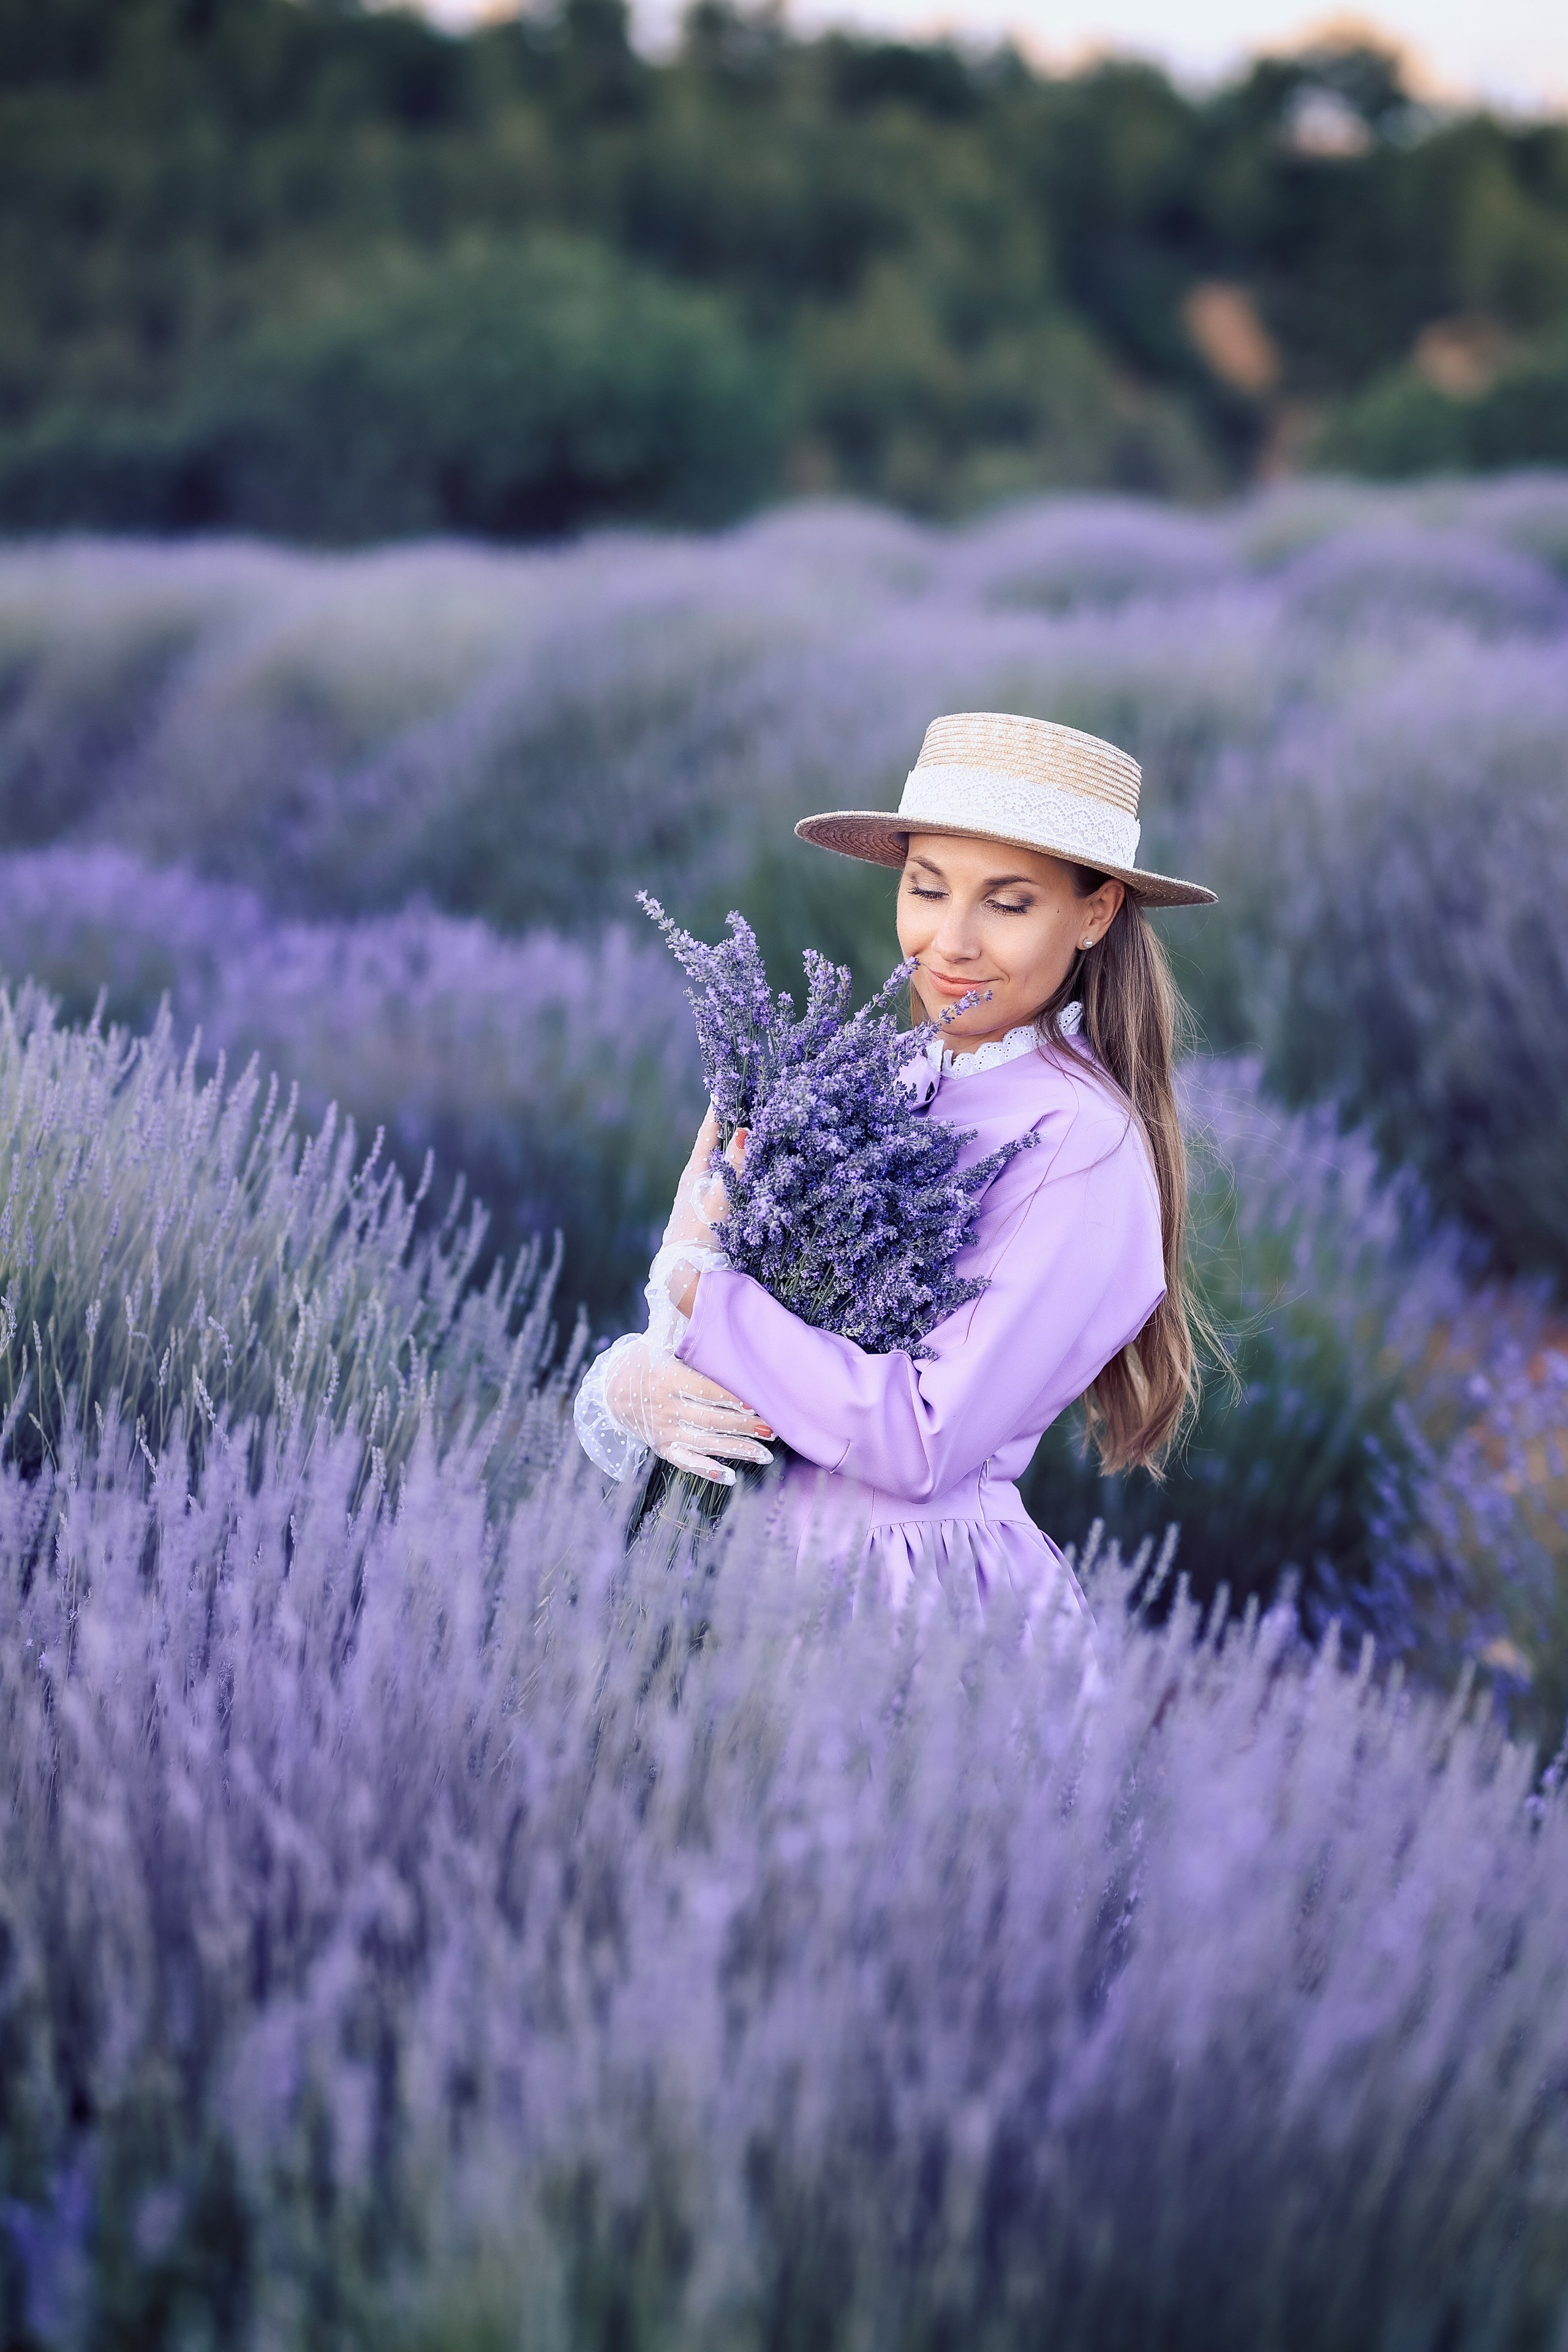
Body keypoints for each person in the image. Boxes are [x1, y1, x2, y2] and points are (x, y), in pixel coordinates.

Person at [575, 710, 1215, 1607]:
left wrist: (696, 1288)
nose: (951, 942)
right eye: (927, 889)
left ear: (1095, 913)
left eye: (1008, 903)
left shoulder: (1079, 1138)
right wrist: (639, 1380)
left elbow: (923, 1440)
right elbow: (736, 1333)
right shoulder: (881, 1075)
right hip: (735, 1569)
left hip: (907, 1603)